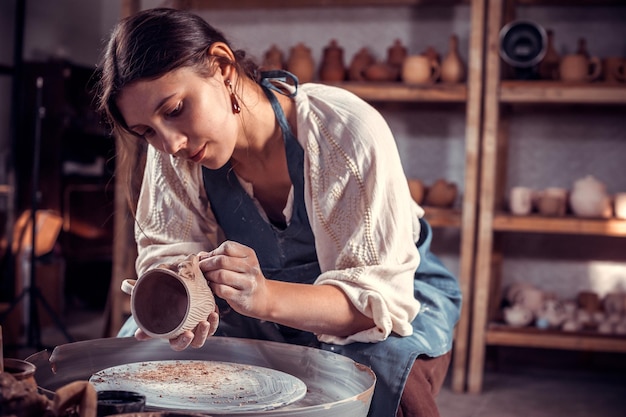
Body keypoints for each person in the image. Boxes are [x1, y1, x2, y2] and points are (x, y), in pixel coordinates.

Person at [97, 7, 461, 417]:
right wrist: (181, 308)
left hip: (382, 298)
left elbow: (373, 304)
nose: (171, 143)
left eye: (176, 109)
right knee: (138, 358)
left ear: (221, 66)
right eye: (147, 132)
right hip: (252, 304)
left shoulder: (343, 131)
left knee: (376, 379)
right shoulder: (173, 155)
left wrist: (265, 296)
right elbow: (171, 257)